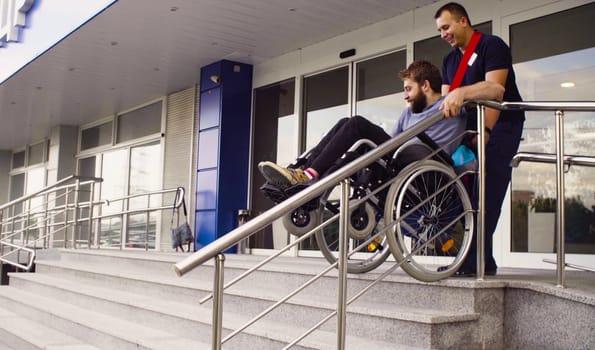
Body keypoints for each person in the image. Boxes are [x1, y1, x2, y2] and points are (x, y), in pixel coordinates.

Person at [258, 60, 503, 190]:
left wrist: (460, 94)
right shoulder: (409, 113)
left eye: (409, 89)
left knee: (356, 124)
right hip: (398, 156)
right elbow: (390, 139)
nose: (405, 95)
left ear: (426, 86)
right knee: (347, 123)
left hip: (421, 163)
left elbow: (495, 91)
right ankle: (300, 170)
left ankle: (306, 175)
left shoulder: (450, 108)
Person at [435, 2, 525, 276]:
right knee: (467, 192)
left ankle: (475, 261)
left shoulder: (491, 46)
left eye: (446, 27)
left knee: (487, 190)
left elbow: (495, 90)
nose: (443, 34)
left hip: (502, 127)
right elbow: (445, 100)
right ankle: (480, 258)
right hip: (469, 130)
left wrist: (484, 131)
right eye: (440, 30)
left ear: (463, 21)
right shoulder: (450, 60)